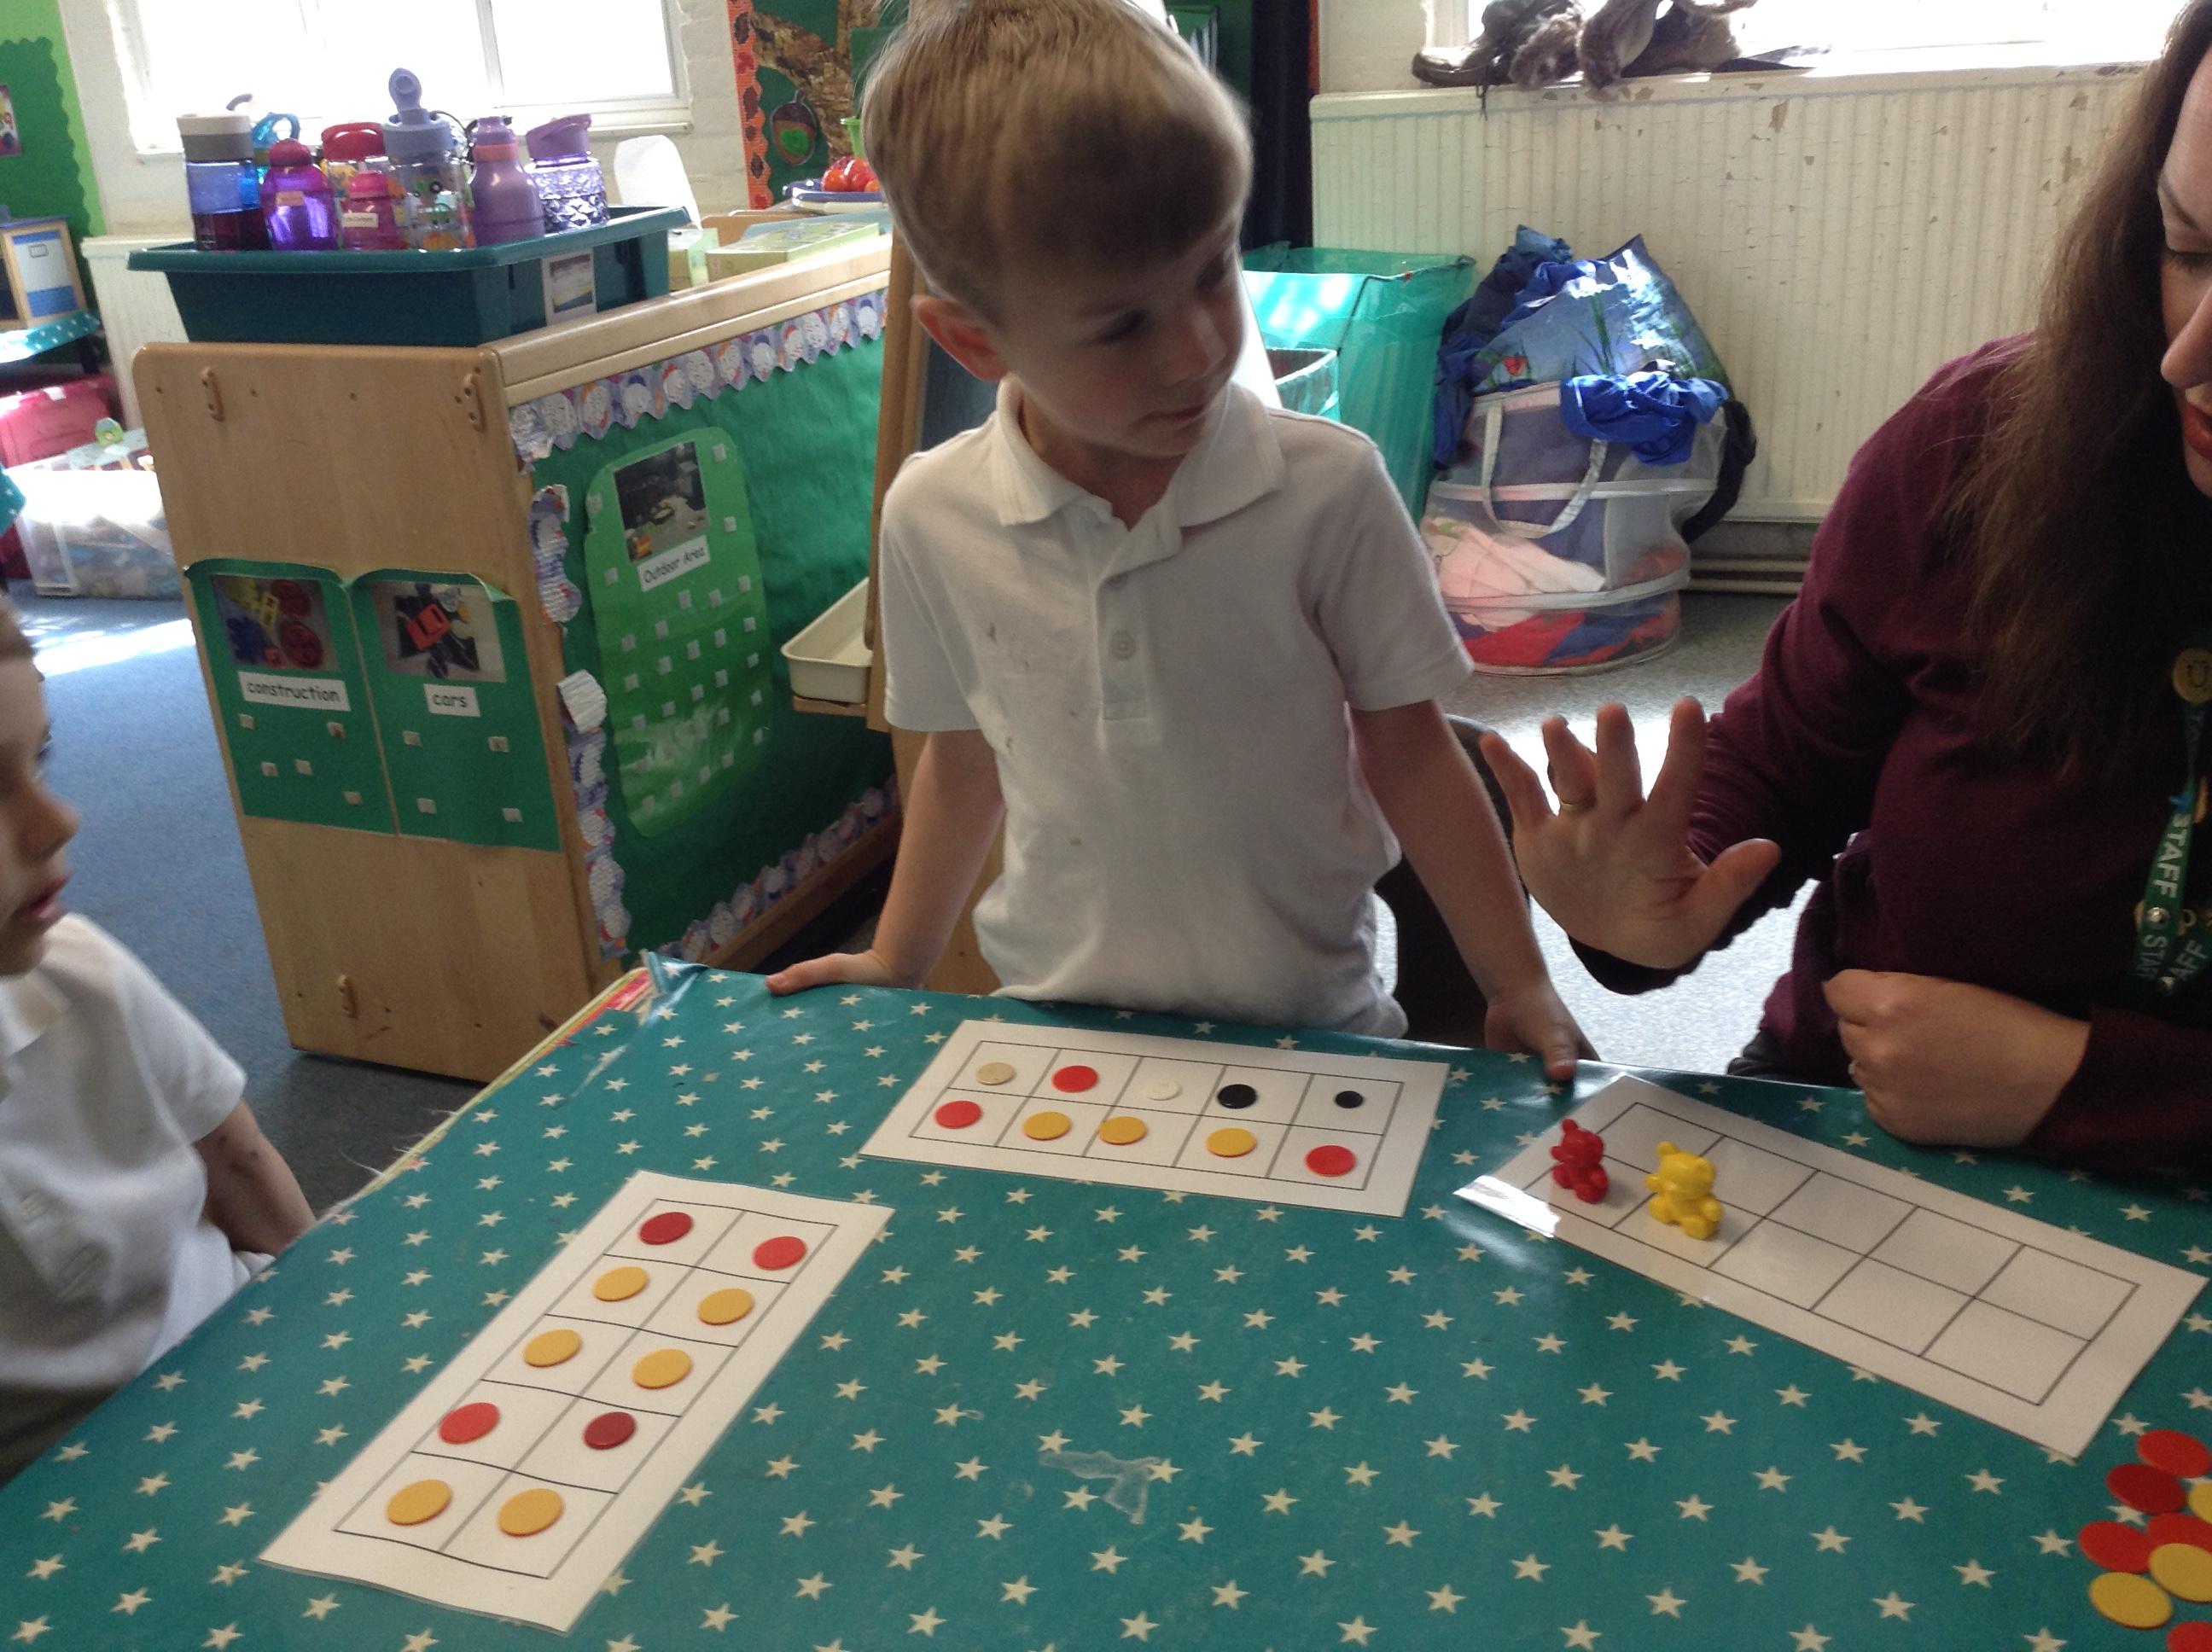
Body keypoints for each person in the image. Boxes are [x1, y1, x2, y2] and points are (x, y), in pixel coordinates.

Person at [765, 0, 1584, 1073]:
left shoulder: (1329, 489)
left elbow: (1415, 754)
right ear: (972, 339)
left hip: (1315, 1032)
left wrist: (1520, 983)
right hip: (1064, 1031)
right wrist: (897, 958)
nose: (1198, 349)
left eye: (1212, 270)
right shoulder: (929, 515)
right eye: (1121, 325)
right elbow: (961, 761)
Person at [1480, 0, 2212, 1172]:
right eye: (2188, 250)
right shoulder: (1978, 444)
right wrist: (1660, 893)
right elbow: (1793, 757)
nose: (2186, 356)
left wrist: (2091, 1087)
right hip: (1848, 1105)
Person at [0, 602, 312, 1481]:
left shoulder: (81, 971)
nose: (57, 821)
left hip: (242, 1352)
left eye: (40, 759)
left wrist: (331, 1318)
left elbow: (239, 1161)